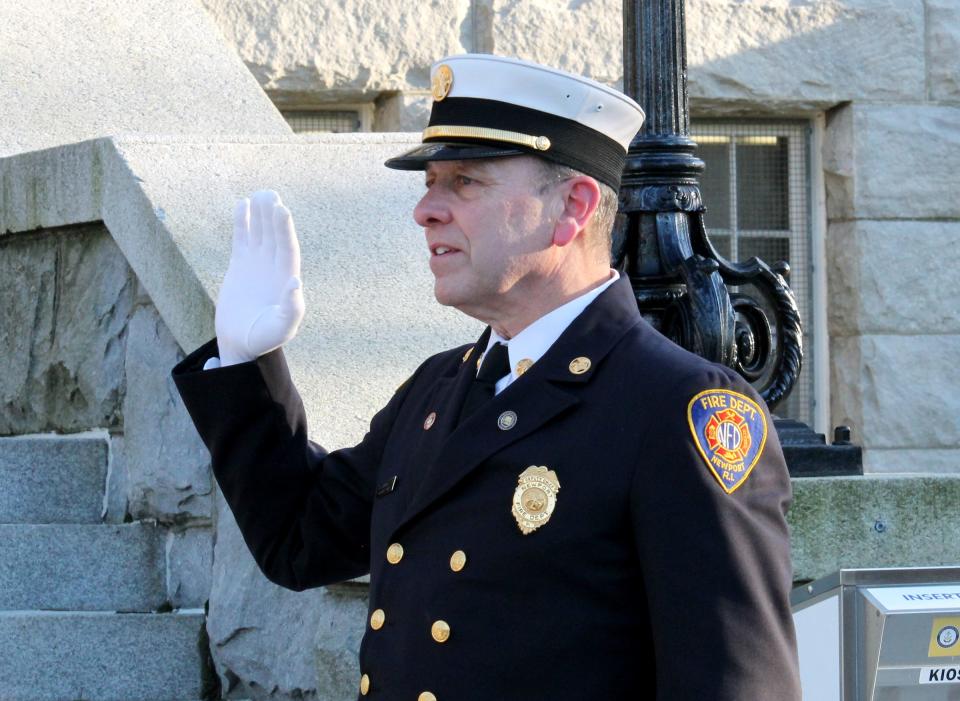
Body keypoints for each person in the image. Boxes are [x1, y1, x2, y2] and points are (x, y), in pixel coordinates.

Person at [172, 54, 801, 700]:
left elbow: (735, 685)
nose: (426, 210)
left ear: (573, 208)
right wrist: (246, 365)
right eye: (430, 181)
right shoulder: (440, 388)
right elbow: (301, 538)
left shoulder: (679, 410)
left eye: (465, 182)